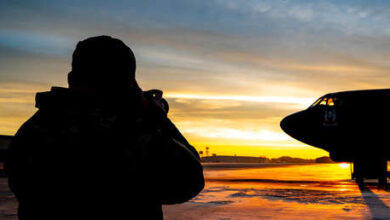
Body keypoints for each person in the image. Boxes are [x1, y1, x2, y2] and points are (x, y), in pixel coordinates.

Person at [5, 36, 204, 220]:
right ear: (126, 83)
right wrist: (155, 117)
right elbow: (188, 180)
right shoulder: (126, 131)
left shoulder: (35, 128)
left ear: (72, 77)